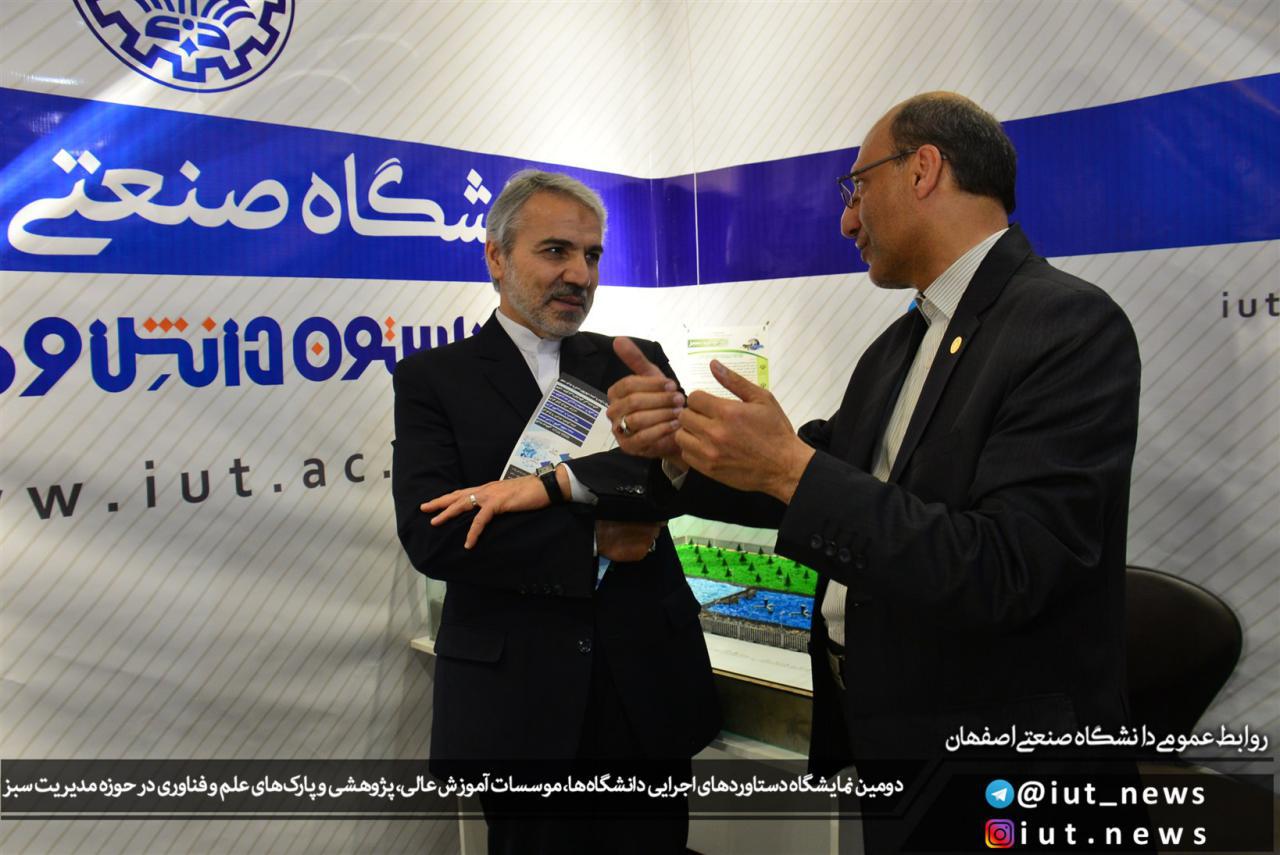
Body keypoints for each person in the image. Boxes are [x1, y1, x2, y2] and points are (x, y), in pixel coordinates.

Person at [608, 92, 1142, 851]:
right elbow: (819, 474)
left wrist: (789, 469)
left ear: (923, 170)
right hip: (892, 746)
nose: (846, 221)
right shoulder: (898, 345)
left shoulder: (1069, 326)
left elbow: (1008, 568)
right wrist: (681, 447)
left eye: (857, 187)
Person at [391, 170, 719, 854]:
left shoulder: (634, 362)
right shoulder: (433, 380)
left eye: (592, 255)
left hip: (644, 686)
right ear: (496, 257)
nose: (580, 274)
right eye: (556, 251)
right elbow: (435, 533)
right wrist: (593, 539)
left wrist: (567, 487)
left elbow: (675, 482)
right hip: (519, 704)